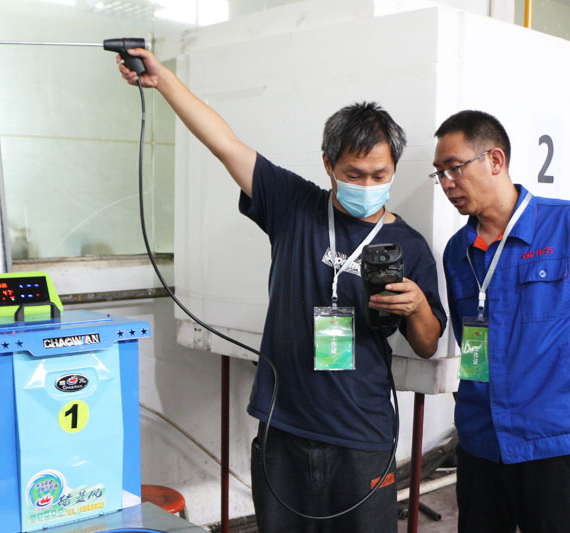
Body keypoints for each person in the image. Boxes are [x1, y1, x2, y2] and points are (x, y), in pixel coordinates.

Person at [119, 48, 445, 532]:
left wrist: (416, 306)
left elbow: (428, 343)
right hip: (284, 425)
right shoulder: (295, 206)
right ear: (328, 164)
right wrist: (163, 80)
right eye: (353, 174)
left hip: (363, 432)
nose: (367, 185)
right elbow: (225, 144)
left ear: (394, 168)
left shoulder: (409, 245)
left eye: (380, 175)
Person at [433, 110, 570, 533]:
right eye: (439, 173)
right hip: (480, 440)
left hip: (555, 440)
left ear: (495, 160)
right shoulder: (457, 252)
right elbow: (468, 338)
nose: (447, 183)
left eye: (454, 168)